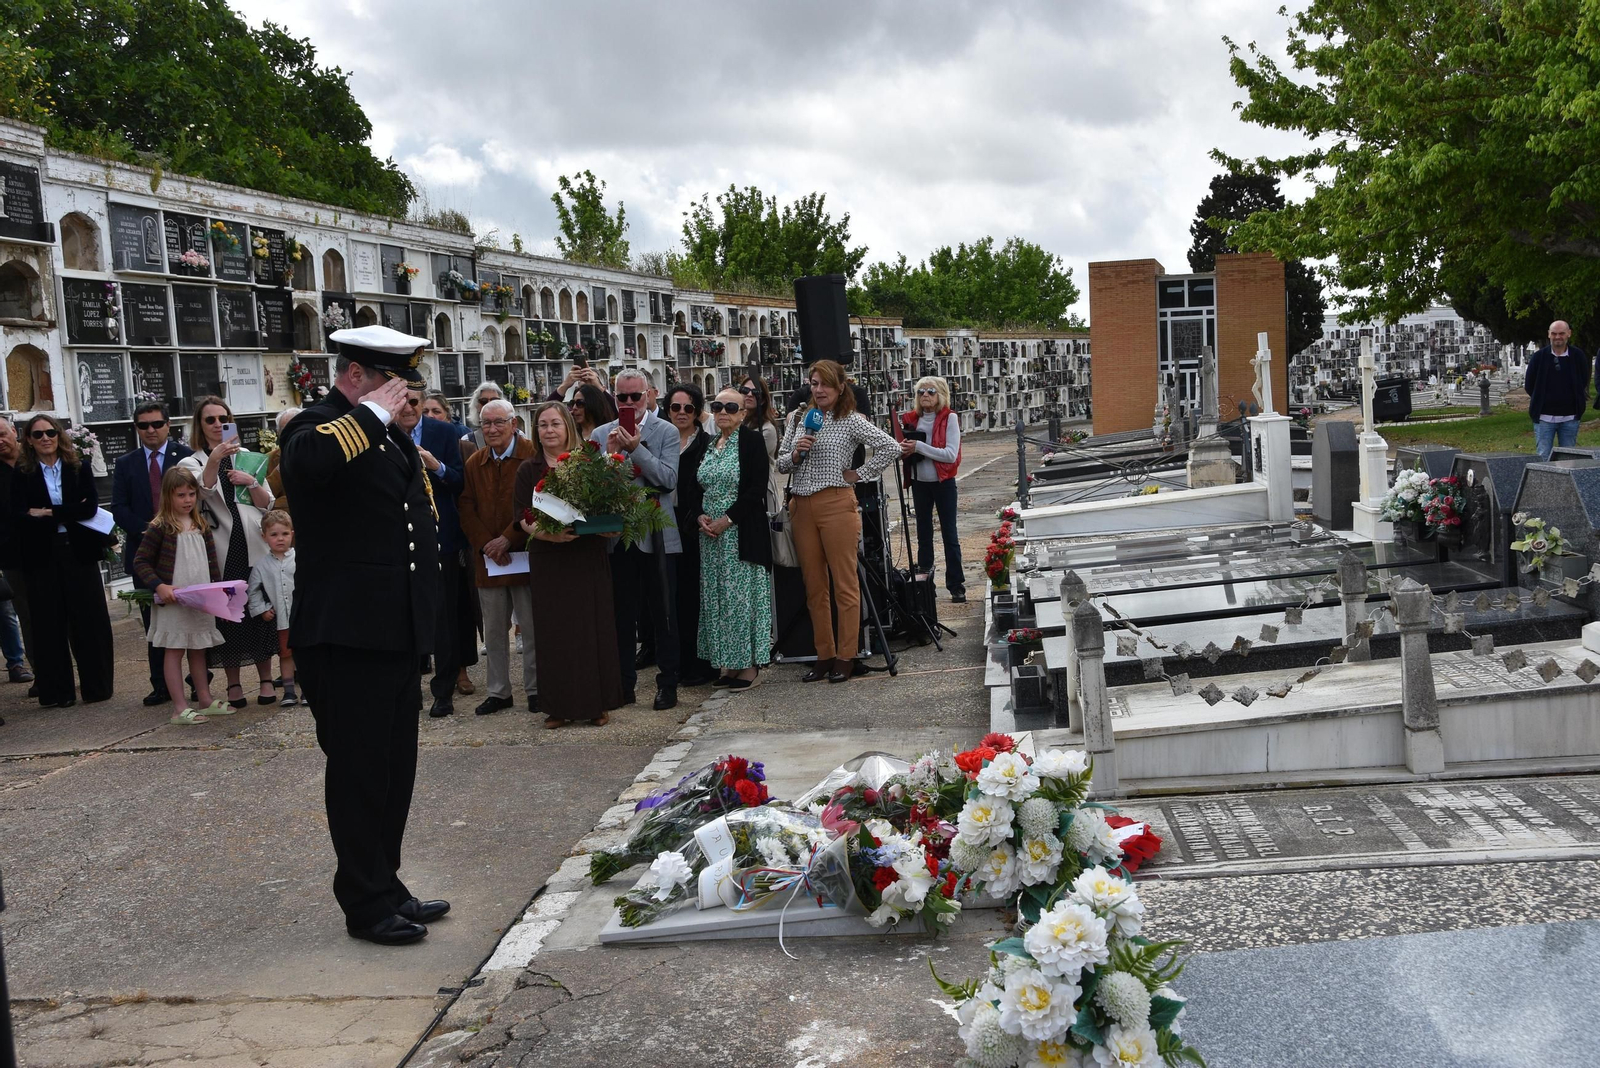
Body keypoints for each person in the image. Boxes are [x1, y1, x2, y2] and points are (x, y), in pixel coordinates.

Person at [279, 322, 447, 947]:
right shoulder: (315, 426)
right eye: (395, 383)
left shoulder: (389, 437)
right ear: (357, 376)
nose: (407, 396)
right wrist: (372, 412)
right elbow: (309, 462)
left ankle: (386, 882)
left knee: (393, 769)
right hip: (346, 637)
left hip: (393, 632)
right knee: (359, 772)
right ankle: (363, 902)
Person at [776, 360, 898, 683]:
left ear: (840, 387)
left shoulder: (850, 420)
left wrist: (860, 473)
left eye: (825, 384)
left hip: (836, 503)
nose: (819, 390)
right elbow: (781, 463)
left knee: (845, 583)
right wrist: (797, 453)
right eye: (814, 383)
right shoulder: (800, 418)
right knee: (814, 586)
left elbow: (890, 446)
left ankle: (847, 655)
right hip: (801, 506)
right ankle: (824, 654)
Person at [513, 402, 623, 726]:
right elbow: (522, 517)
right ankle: (558, 707)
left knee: (591, 629)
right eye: (543, 425)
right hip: (550, 559)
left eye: (555, 424)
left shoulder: (588, 463)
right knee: (554, 632)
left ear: (568, 428)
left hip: (586, 556)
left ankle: (597, 704)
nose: (549, 430)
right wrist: (550, 534)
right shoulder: (528, 469)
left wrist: (611, 526)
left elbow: (609, 505)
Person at [178, 397, 279, 708]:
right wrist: (215, 459)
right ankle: (233, 683)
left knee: (259, 613)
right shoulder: (191, 462)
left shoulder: (246, 457)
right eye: (210, 420)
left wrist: (251, 482)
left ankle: (265, 679)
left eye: (223, 418)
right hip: (220, 546)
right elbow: (202, 491)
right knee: (229, 618)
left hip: (252, 542)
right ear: (200, 425)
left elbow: (267, 504)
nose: (217, 424)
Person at [592, 369, 681, 710]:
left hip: (657, 535)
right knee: (621, 615)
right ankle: (623, 684)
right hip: (618, 536)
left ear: (648, 395)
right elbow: (596, 489)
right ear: (614, 397)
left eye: (635, 396)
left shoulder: (666, 431)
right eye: (622, 397)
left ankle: (667, 683)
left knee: (664, 614)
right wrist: (610, 457)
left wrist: (637, 449)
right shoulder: (602, 433)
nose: (629, 403)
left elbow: (668, 480)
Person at [12, 414, 114, 707]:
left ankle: (97, 688)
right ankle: (58, 693)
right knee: (48, 623)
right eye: (38, 434)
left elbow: (89, 508)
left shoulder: (78, 467)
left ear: (59, 435)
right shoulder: (23, 473)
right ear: (29, 440)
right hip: (42, 554)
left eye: (50, 432)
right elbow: (20, 515)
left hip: (79, 551)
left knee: (89, 621)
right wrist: (68, 511)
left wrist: (47, 512)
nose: (45, 438)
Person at [396, 384, 476, 717]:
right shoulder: (381, 433)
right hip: (399, 540)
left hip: (440, 537)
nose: (409, 408)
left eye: (414, 402)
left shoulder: (444, 432)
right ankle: (407, 690)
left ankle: (443, 691)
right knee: (404, 619)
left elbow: (460, 481)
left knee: (444, 617)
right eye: (402, 402)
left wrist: (436, 465)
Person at [111, 400, 195, 705]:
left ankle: (198, 682)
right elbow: (119, 507)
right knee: (155, 623)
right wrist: (150, 531)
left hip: (185, 550)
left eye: (157, 424)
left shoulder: (185, 457)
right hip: (145, 552)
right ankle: (161, 685)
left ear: (168, 425)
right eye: (143, 425)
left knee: (194, 617)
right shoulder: (126, 463)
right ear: (136, 428)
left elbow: (198, 501)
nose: (151, 430)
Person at [459, 398, 538, 715]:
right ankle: (498, 691)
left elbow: (536, 504)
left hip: (524, 554)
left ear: (514, 424)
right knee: (493, 631)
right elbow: (466, 507)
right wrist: (486, 544)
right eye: (485, 423)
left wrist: (508, 538)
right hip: (488, 560)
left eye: (498, 422)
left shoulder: (531, 455)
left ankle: (536, 689)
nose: (491, 429)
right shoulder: (475, 462)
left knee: (531, 628)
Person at [133, 466, 225, 724]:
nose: (187, 500)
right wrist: (159, 586)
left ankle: (204, 698)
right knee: (174, 651)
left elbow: (212, 564)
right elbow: (141, 561)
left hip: (199, 602)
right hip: (173, 603)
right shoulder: (160, 527)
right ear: (168, 496)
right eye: (181, 495)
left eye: (191, 494)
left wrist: (218, 593)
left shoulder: (201, 525)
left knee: (198, 649)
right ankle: (179, 707)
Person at [697, 388, 773, 689]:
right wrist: (699, 517)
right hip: (711, 537)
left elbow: (756, 488)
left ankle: (749, 666)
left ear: (743, 413)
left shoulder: (751, 441)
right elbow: (697, 487)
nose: (722, 412)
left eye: (731, 407)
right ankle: (728, 664)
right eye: (717, 406)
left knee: (741, 601)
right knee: (718, 600)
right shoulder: (710, 443)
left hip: (740, 533)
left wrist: (727, 520)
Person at [899, 375, 966, 603]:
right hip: (919, 483)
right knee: (923, 535)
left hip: (943, 482)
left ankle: (956, 585)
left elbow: (950, 454)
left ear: (941, 395)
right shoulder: (911, 419)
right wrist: (903, 449)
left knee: (950, 534)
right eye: (920, 392)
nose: (925, 395)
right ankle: (925, 588)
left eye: (930, 391)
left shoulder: (950, 418)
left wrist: (919, 446)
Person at [666, 384, 715, 686]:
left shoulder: (706, 443)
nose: (681, 413)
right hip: (664, 524)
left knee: (694, 596)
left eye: (688, 408)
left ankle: (701, 664)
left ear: (697, 412)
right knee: (672, 598)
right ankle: (678, 663)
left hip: (694, 528)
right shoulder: (660, 440)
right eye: (675, 407)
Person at [247, 509, 299, 708]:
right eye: (274, 534)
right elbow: (253, 591)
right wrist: (262, 609)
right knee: (285, 654)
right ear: (264, 537)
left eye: (285, 534)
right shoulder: (261, 565)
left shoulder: (299, 559)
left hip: (301, 617)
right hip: (281, 619)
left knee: (304, 653)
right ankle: (288, 691)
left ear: (292, 534)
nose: (280, 539)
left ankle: (307, 691)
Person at [0, 417, 35, 691]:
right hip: (12, 555)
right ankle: (42, 674)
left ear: (14, 431)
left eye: (2, 434)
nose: (0, 441)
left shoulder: (35, 460)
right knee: (27, 616)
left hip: (47, 549)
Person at [1524, 320, 1591, 459]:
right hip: (1544, 417)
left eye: (1561, 333)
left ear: (1569, 334)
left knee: (1568, 457)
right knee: (1543, 455)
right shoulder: (1539, 357)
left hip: (1570, 417)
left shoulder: (1577, 356)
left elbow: (1583, 380)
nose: (1557, 337)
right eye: (1554, 334)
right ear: (1549, 334)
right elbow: (1530, 384)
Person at [459, 381, 506, 465]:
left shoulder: (518, 435)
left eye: (494, 400)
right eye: (484, 401)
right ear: (477, 406)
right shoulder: (467, 441)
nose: (489, 404)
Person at [264, 406, 302, 512]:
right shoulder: (267, 460)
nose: (291, 434)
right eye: (285, 430)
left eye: (296, 428)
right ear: (278, 433)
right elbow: (264, 498)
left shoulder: (319, 454)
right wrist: (280, 469)